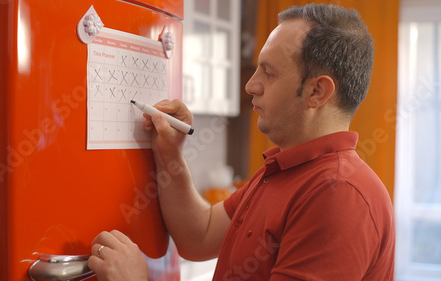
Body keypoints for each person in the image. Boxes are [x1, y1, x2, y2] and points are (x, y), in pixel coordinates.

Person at [88, 3, 395, 280]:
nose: (251, 85)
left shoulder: (339, 195)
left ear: (317, 92)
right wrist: (170, 154)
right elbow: (200, 235)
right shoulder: (282, 167)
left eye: (269, 73)